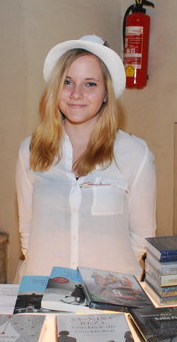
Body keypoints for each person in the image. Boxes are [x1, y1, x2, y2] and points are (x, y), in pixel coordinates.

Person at [16, 35, 156, 280]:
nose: (76, 94)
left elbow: (142, 237)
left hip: (108, 293)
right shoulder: (30, 150)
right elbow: (27, 230)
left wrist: (106, 282)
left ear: (106, 94)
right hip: (45, 289)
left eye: (90, 84)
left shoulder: (135, 153)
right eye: (67, 82)